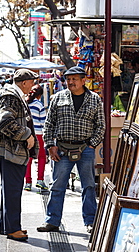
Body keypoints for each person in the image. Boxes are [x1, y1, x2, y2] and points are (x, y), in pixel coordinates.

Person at [37, 66, 105, 234]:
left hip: (86, 149)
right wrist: (50, 145)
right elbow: (49, 124)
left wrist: (92, 144)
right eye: (68, 79)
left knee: (88, 185)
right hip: (61, 148)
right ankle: (52, 221)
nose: (71, 82)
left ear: (84, 81)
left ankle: (90, 221)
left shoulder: (94, 99)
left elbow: (101, 126)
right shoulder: (58, 98)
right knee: (57, 186)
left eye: (75, 79)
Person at [0, 68, 37, 242]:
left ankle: (8, 226)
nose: (33, 86)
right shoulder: (11, 96)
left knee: (10, 190)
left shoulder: (12, 94)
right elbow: (4, 121)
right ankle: (13, 228)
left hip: (12, 150)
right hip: (12, 150)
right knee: (12, 190)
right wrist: (26, 134)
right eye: (32, 82)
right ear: (23, 82)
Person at [24, 84, 48, 191]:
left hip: (27, 134)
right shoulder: (39, 105)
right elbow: (43, 121)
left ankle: (28, 183)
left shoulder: (24, 103)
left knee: (28, 158)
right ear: (39, 96)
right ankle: (40, 180)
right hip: (38, 134)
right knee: (41, 157)